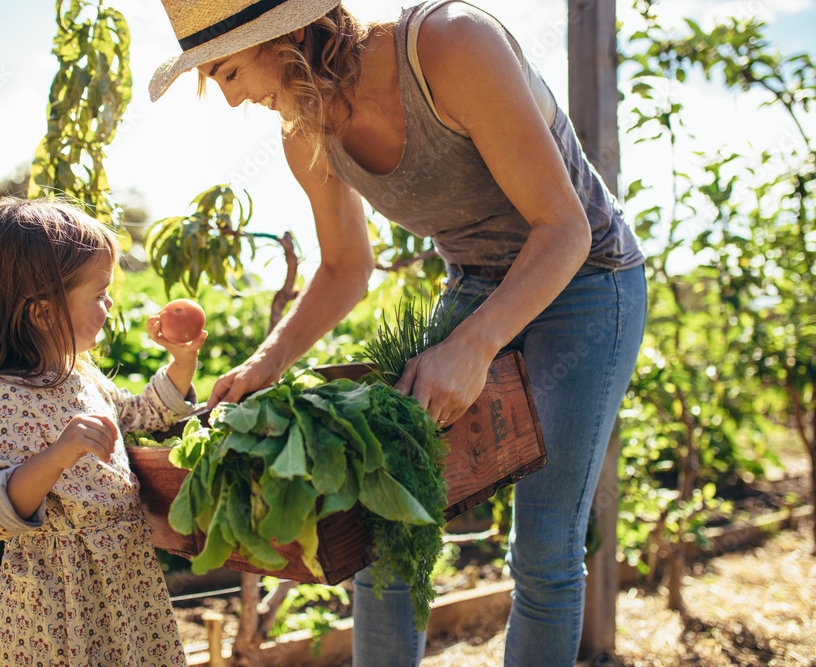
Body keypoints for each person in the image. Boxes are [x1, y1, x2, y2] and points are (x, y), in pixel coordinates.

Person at [150, 1, 647, 665]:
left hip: (586, 281)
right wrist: (265, 362)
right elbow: (344, 267)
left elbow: (565, 229)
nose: (236, 100)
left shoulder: (451, 47)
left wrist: (473, 345)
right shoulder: (305, 131)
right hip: (474, 283)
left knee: (545, 546)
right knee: (382, 527)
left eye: (231, 72)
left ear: (289, 31)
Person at [0, 198, 205, 666]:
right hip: (59, 605)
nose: (110, 305)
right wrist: (56, 457)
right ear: (43, 312)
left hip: (125, 588)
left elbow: (139, 415)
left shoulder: (82, 377)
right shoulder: (2, 397)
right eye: (99, 293)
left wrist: (181, 364)